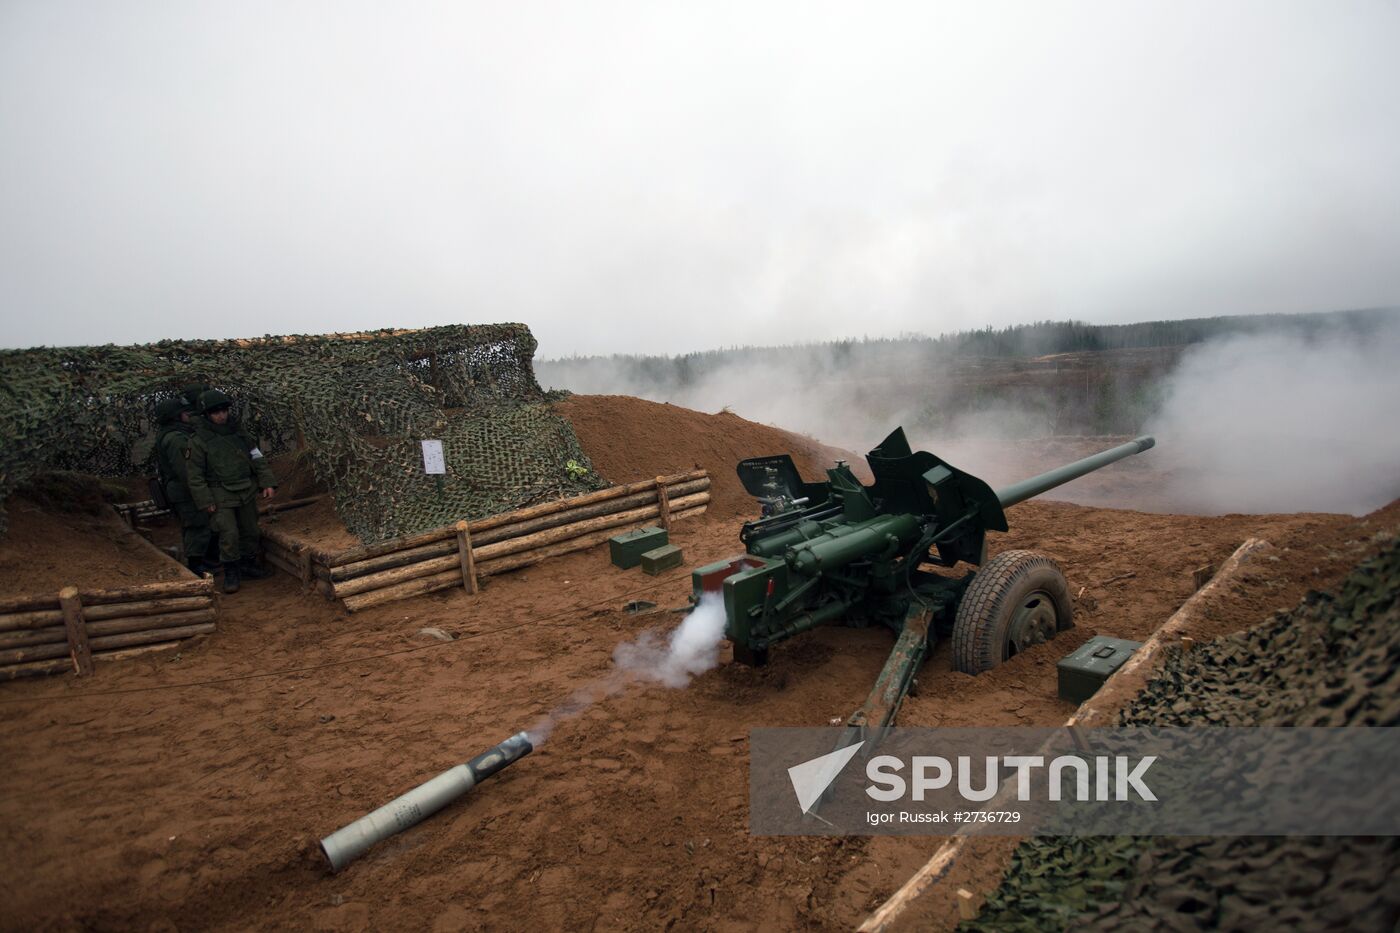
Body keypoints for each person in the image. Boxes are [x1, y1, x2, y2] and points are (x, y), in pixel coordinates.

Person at [187, 389, 277, 593]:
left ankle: (247, 565)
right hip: (220, 493)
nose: (221, 416)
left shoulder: (239, 432)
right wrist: (205, 500)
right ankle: (231, 572)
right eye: (215, 412)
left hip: (245, 488)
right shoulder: (199, 440)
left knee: (250, 530)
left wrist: (267, 482)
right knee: (229, 534)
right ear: (206, 414)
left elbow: (257, 457)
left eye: (223, 411)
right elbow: (195, 475)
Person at [153, 397, 214, 573]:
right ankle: (196, 566)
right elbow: (186, 470)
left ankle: (201, 562)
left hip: (182, 489)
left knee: (196, 525)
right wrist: (200, 493)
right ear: (175, 417)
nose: (188, 415)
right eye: (184, 413)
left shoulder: (172, 433)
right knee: (197, 525)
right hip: (185, 491)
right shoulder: (176, 438)